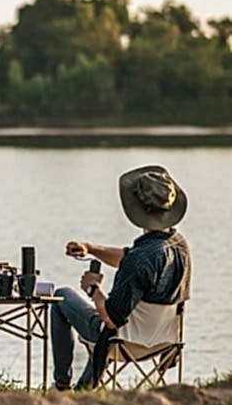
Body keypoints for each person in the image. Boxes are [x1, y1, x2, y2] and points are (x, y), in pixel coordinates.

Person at [51, 165, 191, 390]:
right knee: (113, 320)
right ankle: (83, 390)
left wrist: (93, 288)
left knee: (62, 297)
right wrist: (90, 248)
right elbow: (128, 259)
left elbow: (110, 318)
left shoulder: (140, 259)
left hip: (123, 342)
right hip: (163, 341)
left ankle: (62, 386)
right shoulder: (178, 246)